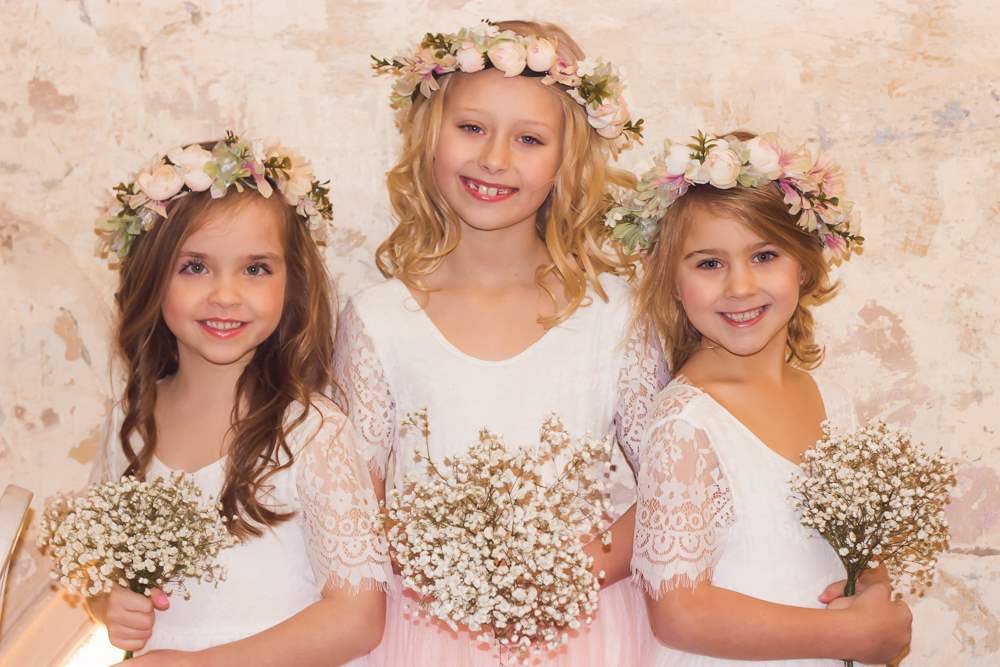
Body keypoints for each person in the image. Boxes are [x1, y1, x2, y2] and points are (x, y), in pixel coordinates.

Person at [336, 19, 663, 666]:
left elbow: (668, 486)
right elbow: (358, 502)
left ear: (567, 160)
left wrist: (560, 577)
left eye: (530, 139)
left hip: (585, 624)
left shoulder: (615, 315)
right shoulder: (379, 320)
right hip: (428, 630)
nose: (495, 159)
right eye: (472, 128)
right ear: (431, 134)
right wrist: (461, 579)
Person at [87, 133, 389, 666]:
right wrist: (109, 604)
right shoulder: (128, 427)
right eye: (195, 266)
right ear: (151, 278)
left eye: (255, 269)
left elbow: (357, 617)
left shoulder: (311, 430)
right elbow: (101, 570)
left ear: (289, 283)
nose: (225, 294)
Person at [613, 130, 911, 665]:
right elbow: (678, 613)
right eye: (709, 264)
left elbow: (858, 550)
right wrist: (847, 637)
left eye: (764, 255)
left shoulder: (831, 400)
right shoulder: (685, 424)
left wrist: (874, 598)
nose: (741, 287)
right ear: (673, 284)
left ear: (804, 263)